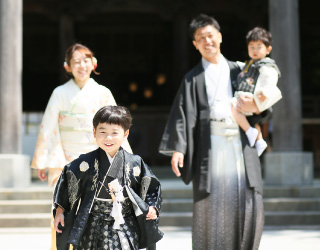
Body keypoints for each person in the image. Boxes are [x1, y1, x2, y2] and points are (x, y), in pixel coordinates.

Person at [159, 14, 271, 250]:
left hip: (239, 140)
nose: (207, 41)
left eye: (211, 35)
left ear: (219, 37)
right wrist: (178, 149)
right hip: (211, 143)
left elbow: (264, 102)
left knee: (246, 196)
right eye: (201, 38)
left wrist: (257, 108)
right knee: (211, 202)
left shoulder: (241, 70)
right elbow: (183, 114)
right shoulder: (192, 79)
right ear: (195, 44)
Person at [31, 43, 131, 250]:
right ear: (67, 66)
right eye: (76, 61)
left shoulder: (102, 92)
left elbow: (116, 127)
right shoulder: (60, 93)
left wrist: (125, 159)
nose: (81, 65)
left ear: (93, 63)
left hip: (98, 157)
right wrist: (44, 161)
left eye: (85, 60)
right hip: (67, 159)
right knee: (64, 211)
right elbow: (49, 126)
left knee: (100, 212)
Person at [53, 106, 163, 250]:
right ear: (94, 132)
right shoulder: (84, 163)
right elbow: (68, 184)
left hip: (125, 223)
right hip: (93, 224)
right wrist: (60, 212)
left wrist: (152, 207)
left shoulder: (135, 163)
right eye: (102, 132)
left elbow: (151, 187)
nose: (108, 138)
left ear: (126, 134)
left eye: (114, 133)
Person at [231, 27, 281, 156]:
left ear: (268, 49)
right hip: (250, 97)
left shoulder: (266, 65)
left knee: (233, 106)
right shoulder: (251, 63)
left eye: (259, 46)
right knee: (254, 122)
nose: (254, 50)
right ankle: (259, 140)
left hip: (252, 97)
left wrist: (264, 93)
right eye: (251, 46)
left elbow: (269, 79)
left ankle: (249, 132)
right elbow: (241, 67)